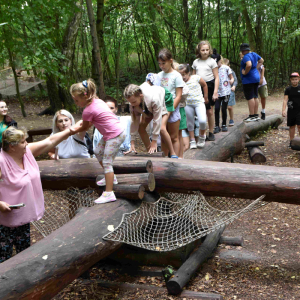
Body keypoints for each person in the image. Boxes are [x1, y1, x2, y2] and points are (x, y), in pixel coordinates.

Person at [0, 126, 76, 263]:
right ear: (12, 146)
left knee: (24, 257)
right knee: (3, 259)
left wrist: (71, 130)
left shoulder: (26, 153)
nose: (26, 144)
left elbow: (49, 141)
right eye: (23, 142)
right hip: (3, 223)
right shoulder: (1, 161)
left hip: (22, 218)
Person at [70, 79, 126, 204]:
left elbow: (85, 127)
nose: (75, 102)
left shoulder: (88, 111)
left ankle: (109, 193)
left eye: (76, 100)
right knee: (97, 151)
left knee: (107, 162)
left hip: (115, 135)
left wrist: (72, 130)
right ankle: (111, 178)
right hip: (112, 133)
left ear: (85, 96)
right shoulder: (98, 101)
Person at [123, 83, 178, 158]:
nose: (132, 104)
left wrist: (154, 141)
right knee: (141, 128)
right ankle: (151, 152)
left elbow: (157, 119)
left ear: (140, 96)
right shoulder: (133, 103)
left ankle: (173, 153)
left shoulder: (154, 99)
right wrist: (132, 143)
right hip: (147, 105)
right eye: (130, 102)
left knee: (162, 128)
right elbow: (134, 121)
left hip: (165, 98)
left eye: (134, 102)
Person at [157, 48, 184, 157]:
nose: (162, 66)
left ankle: (175, 161)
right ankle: (164, 160)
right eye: (159, 64)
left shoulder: (176, 76)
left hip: (173, 107)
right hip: (161, 108)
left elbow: (179, 95)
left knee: (174, 137)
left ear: (170, 61)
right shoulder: (159, 75)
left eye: (164, 63)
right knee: (163, 136)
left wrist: (170, 110)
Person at [192, 42, 220, 141]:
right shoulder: (196, 62)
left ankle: (211, 132)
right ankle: (200, 133)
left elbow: (217, 77)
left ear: (210, 50)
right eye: (203, 50)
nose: (205, 52)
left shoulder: (212, 61)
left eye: (207, 50)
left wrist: (216, 92)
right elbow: (193, 77)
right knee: (199, 111)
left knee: (209, 111)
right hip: (199, 87)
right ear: (199, 51)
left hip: (210, 85)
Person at [177, 63, 208, 149]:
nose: (183, 77)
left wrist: (205, 96)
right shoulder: (179, 82)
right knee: (190, 123)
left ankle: (202, 137)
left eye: (184, 74)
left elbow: (204, 85)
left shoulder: (196, 78)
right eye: (180, 75)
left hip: (199, 102)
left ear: (189, 73)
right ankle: (192, 140)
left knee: (202, 120)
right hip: (187, 104)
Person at [239, 43, 264, 122]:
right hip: (256, 77)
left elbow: (249, 65)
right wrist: (256, 68)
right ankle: (256, 115)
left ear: (243, 50)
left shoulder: (246, 56)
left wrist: (245, 72)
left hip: (249, 79)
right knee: (255, 96)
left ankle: (252, 115)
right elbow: (261, 60)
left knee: (250, 97)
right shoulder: (254, 54)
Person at [214, 56, 234, 133]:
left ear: (220, 61)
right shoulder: (212, 69)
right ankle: (216, 125)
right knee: (216, 108)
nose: (216, 64)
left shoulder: (226, 68)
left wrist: (231, 81)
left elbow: (231, 77)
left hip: (226, 92)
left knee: (224, 108)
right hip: (217, 92)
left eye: (217, 62)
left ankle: (224, 124)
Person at [282, 72, 300, 147]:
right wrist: (283, 110)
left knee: (299, 126)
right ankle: (292, 142)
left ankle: (299, 141)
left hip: (299, 110)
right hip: (291, 110)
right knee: (292, 126)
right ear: (290, 80)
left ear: (299, 79)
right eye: (293, 80)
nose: (294, 81)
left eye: (296, 79)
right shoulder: (288, 89)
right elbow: (285, 100)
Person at [223, 58, 238, 126]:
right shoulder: (220, 72)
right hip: (222, 91)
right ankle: (224, 121)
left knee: (229, 107)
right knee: (223, 107)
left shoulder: (231, 72)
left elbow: (235, 80)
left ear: (229, 66)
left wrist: (234, 86)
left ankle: (231, 119)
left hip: (230, 90)